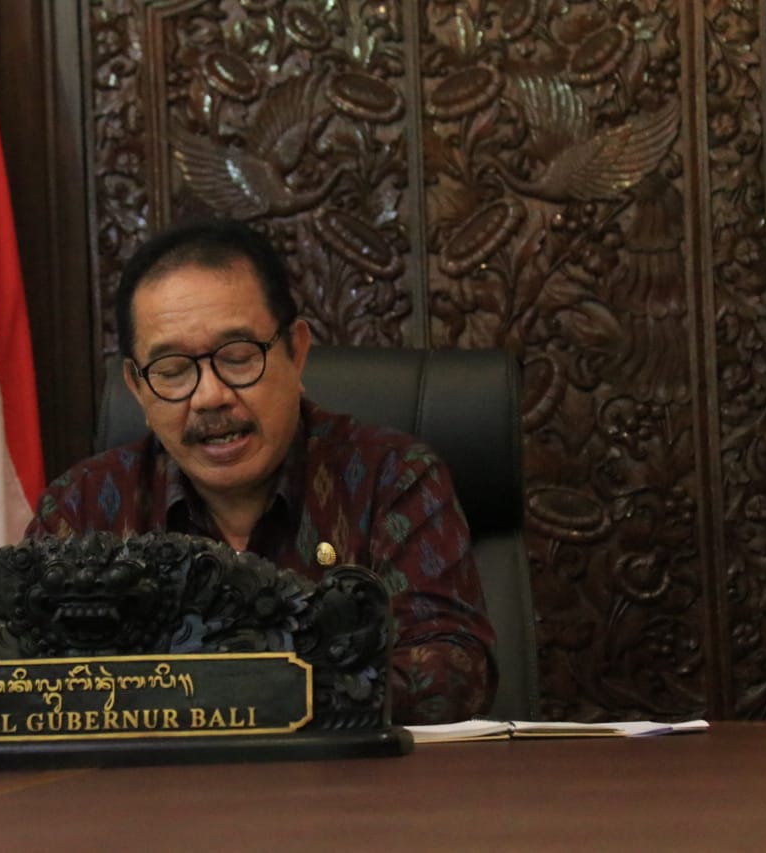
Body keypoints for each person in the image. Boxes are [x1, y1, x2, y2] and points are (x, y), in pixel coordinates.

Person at [26, 219, 496, 725]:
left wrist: (229, 692)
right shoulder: (83, 507)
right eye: (173, 371)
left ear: (297, 351)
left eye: (237, 358)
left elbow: (454, 675)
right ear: (137, 388)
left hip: (343, 777)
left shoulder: (391, 479)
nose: (210, 396)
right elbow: (21, 681)